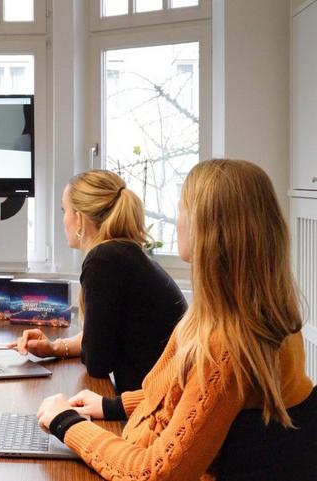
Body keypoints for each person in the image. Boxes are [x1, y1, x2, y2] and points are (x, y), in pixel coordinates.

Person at [37, 159, 316, 481]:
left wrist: (66, 422)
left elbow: (155, 474)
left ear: (207, 229)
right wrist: (112, 406)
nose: (177, 221)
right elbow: (183, 395)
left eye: (182, 209)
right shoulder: (259, 317)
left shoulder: (226, 344)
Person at [10, 170, 186, 393]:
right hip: (156, 395)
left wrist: (69, 348)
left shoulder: (103, 260)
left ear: (79, 218)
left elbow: (98, 362)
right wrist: (54, 347)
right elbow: (101, 337)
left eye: (64, 210)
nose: (63, 220)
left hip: (152, 403)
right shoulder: (123, 254)